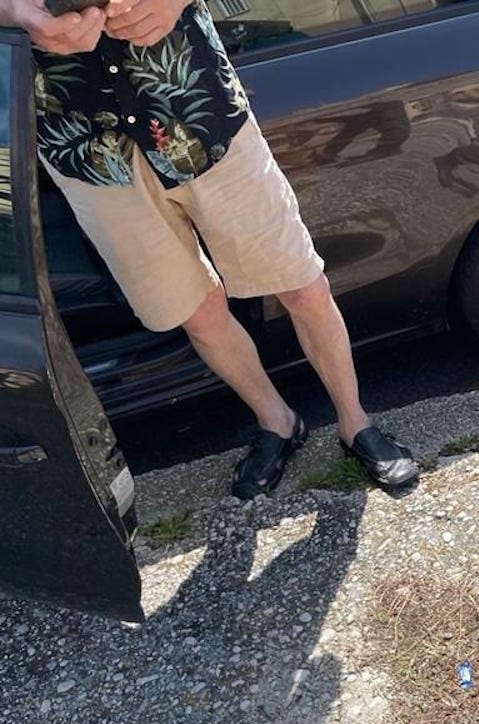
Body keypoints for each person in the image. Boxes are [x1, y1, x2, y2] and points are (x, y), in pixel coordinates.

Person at [1, 0, 421, 497]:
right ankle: (277, 421)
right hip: (90, 153)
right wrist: (21, 17)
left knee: (302, 284)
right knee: (196, 312)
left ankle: (356, 423)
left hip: (201, 116)